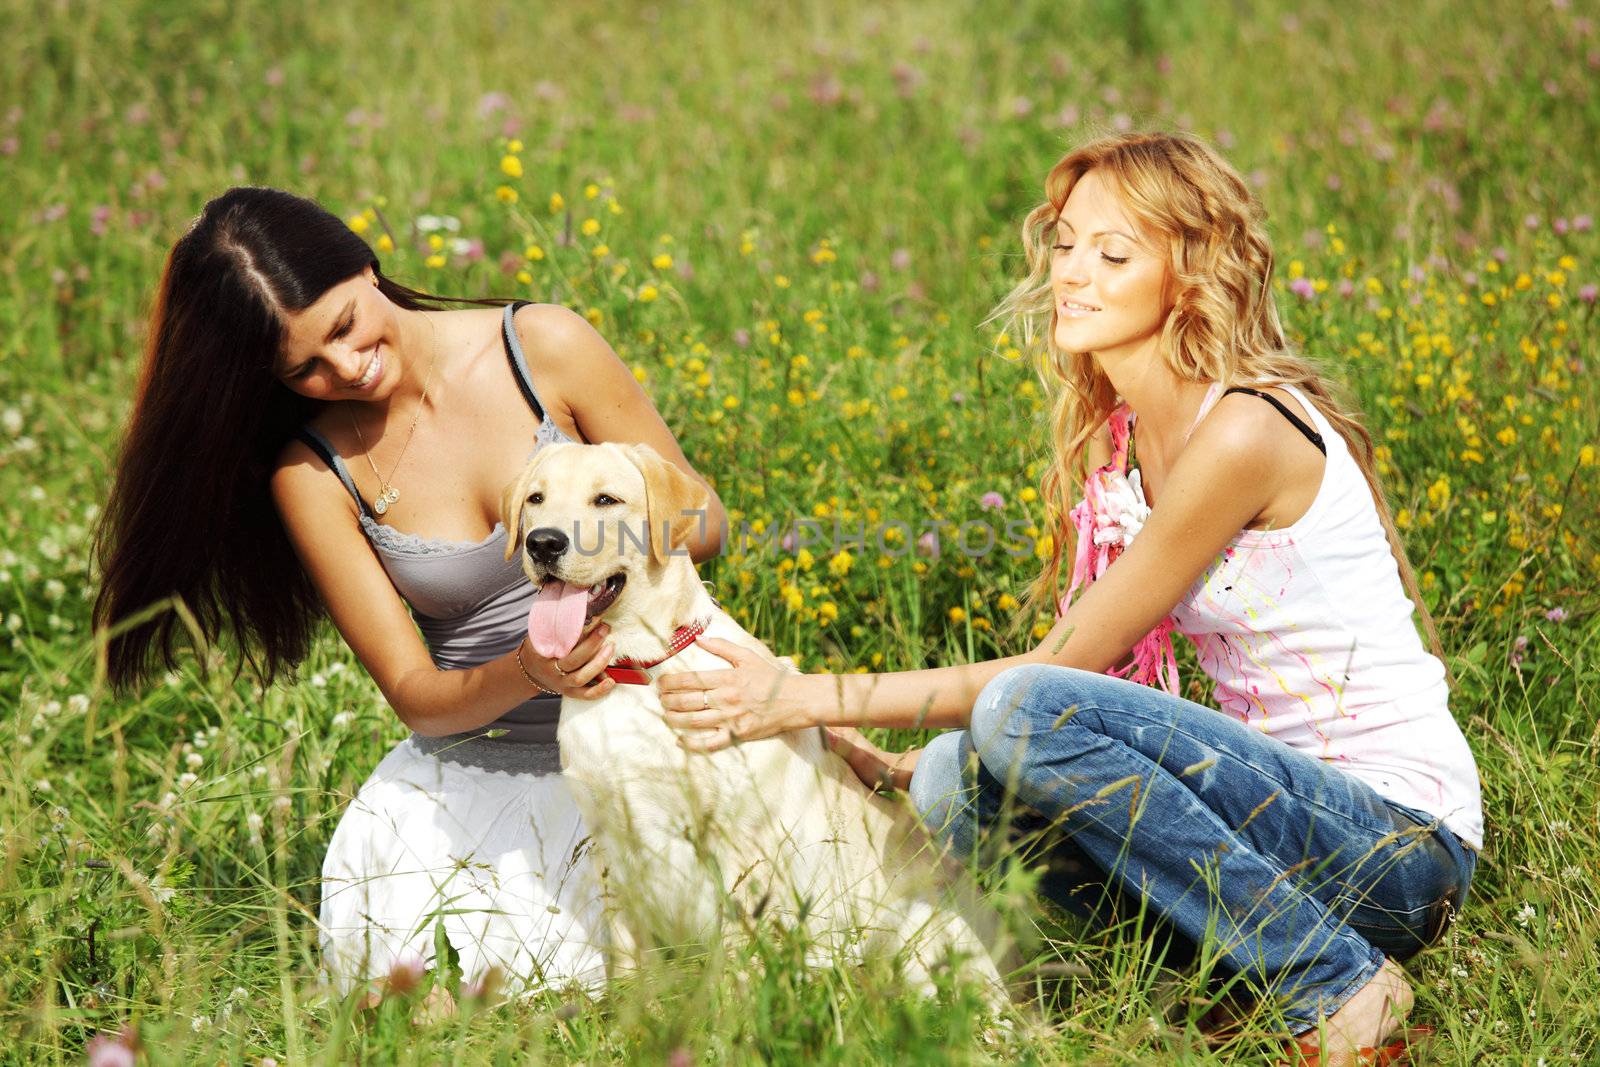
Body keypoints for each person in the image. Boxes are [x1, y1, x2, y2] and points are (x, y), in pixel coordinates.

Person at [653, 132, 1481, 1065]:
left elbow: (1052, 682)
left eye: (1113, 254)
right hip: (1274, 833)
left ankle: (1338, 986)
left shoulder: (1245, 428)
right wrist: (886, 760)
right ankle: (1219, 987)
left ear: (1191, 272)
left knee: (1014, 709)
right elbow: (1086, 697)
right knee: (949, 780)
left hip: (1396, 848)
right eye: (1065, 244)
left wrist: (805, 694)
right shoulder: (1121, 441)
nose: (1072, 275)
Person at [93, 186, 727, 1000]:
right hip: (478, 777)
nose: (346, 368)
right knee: (471, 995)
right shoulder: (312, 472)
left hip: (639, 737)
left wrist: (580, 541)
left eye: (345, 328)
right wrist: (532, 668)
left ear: (365, 264)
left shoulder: (542, 347)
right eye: (305, 370)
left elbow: (704, 520)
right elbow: (418, 698)